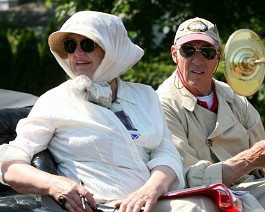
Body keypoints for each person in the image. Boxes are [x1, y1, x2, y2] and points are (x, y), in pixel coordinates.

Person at [0, 11, 220, 212]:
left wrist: (150, 190)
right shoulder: (55, 100)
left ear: (112, 49)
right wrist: (54, 184)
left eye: (87, 44)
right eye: (70, 46)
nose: (77, 53)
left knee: (214, 204)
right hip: (99, 206)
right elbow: (10, 165)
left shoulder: (145, 96)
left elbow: (166, 152)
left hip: (152, 200)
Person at [156, 17, 265, 211]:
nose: (197, 61)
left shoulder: (235, 98)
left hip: (252, 191)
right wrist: (249, 159)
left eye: (207, 52)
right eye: (188, 50)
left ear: (218, 56)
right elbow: (189, 179)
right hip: (203, 199)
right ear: (174, 54)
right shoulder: (162, 105)